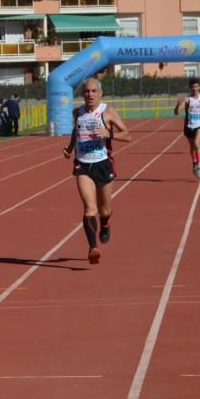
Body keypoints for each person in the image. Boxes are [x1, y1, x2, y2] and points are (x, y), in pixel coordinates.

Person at [62, 77, 131, 265]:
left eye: (93, 91)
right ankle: (93, 248)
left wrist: (109, 134)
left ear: (100, 93)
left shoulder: (107, 112)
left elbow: (128, 134)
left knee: (104, 209)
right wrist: (69, 148)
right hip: (83, 165)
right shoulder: (77, 113)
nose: (90, 95)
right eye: (86, 92)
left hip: (103, 164)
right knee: (89, 208)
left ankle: (106, 223)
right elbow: (76, 133)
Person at [174, 78, 200, 178]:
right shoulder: (187, 99)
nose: (194, 88)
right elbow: (176, 113)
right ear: (190, 88)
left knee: (197, 143)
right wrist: (178, 106)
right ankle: (194, 163)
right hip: (189, 126)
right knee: (192, 146)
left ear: (199, 87)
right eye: (192, 87)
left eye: (196, 86)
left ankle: (199, 167)